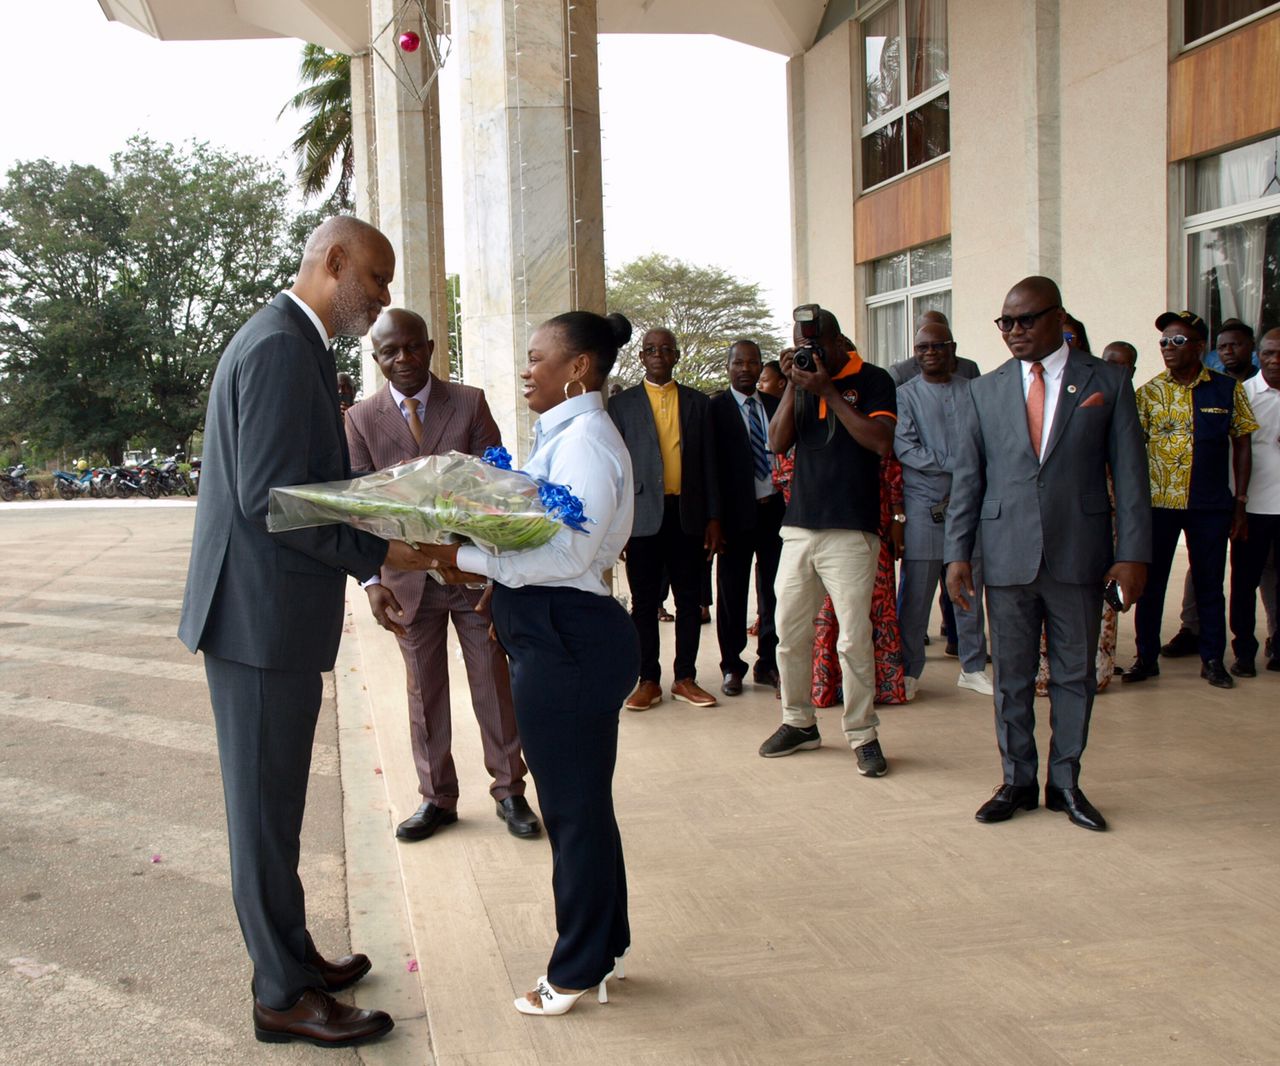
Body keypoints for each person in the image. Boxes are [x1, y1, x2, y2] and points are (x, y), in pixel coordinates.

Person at [178, 216, 435, 1046]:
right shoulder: (284, 346)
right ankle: (281, 996)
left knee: (278, 809)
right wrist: (386, 546)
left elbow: (306, 484)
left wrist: (389, 512)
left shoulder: (285, 338)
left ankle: (293, 957)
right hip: (260, 622)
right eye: (379, 277)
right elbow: (277, 503)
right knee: (262, 815)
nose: (386, 298)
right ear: (335, 262)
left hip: (266, 617)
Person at [409, 311, 640, 1017]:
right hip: (550, 634)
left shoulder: (590, 447)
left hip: (569, 641)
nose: (525, 370)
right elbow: (533, 530)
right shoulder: (563, 438)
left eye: (538, 359)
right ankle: (603, 948)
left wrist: (460, 557)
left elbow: (567, 555)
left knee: (572, 811)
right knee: (582, 809)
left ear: (578, 369)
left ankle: (573, 971)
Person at [946, 276, 1150, 832]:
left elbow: (1131, 477)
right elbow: (969, 480)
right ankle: (1017, 781)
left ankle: (1065, 784)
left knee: (1073, 677)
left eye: (1026, 320)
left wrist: (1132, 555)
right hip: (1006, 554)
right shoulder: (982, 391)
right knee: (1010, 677)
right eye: (1005, 322)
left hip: (1079, 555)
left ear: (1058, 318)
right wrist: (956, 554)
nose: (1014, 331)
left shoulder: (1106, 381)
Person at [345, 308, 539, 842]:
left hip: (470, 574)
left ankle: (510, 791)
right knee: (422, 692)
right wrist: (371, 581)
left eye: (411, 347)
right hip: (406, 584)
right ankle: (436, 798)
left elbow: (495, 487)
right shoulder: (360, 419)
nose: (402, 359)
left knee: (492, 684)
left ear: (429, 348)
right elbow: (361, 508)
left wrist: (496, 569)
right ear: (376, 358)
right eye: (390, 351)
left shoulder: (470, 402)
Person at [757, 308, 897, 776]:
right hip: (799, 528)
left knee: (854, 639)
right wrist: (796, 384)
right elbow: (777, 444)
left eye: (816, 345)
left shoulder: (873, 379)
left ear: (839, 342)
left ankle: (862, 733)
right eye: (801, 344)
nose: (810, 352)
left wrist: (829, 392)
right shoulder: (800, 383)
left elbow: (879, 441)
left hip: (852, 529)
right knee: (788, 634)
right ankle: (799, 723)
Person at [1124, 310, 1257, 689]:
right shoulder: (1149, 393)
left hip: (1210, 505)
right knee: (1150, 585)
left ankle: (1213, 659)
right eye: (1164, 341)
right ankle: (1146, 657)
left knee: (1210, 584)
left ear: (1199, 347)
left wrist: (1241, 503)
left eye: (1178, 341)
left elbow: (1243, 445)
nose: (1168, 347)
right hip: (1159, 506)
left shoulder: (1227, 389)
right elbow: (1131, 453)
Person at [610, 328, 722, 710]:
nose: (658, 355)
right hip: (642, 517)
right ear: (641, 357)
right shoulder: (622, 405)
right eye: (651, 350)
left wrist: (713, 517)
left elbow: (710, 463)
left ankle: (686, 678)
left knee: (689, 600)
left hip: (686, 515)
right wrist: (618, 523)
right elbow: (617, 469)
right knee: (643, 603)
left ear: (676, 356)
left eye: (666, 350)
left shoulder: (696, 403)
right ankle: (648, 680)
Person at [895, 320, 991, 699]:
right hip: (925, 507)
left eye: (938, 346)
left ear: (952, 349)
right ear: (915, 354)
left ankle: (972, 666)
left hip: (969, 506)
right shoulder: (904, 395)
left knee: (969, 588)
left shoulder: (975, 391)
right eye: (923, 348)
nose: (931, 353)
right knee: (916, 596)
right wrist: (961, 464)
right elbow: (907, 449)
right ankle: (909, 670)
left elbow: (989, 442)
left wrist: (969, 473)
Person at [708, 339, 784, 695]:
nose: (745, 369)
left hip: (775, 511)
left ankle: (767, 663)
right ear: (728, 367)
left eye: (752, 363)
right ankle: (731, 666)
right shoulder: (715, 409)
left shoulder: (776, 404)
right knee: (731, 593)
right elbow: (709, 469)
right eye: (738, 363)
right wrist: (714, 519)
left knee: (774, 592)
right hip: (734, 518)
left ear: (760, 368)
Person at [1228, 327, 1280, 674]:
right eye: (1268, 353)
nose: (1274, 360)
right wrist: (1237, 506)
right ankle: (1244, 650)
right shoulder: (1242, 394)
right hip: (1252, 507)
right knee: (1244, 583)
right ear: (1257, 355)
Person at [888, 310, 981, 385]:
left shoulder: (969, 368)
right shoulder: (900, 373)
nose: (930, 351)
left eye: (939, 330)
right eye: (926, 331)